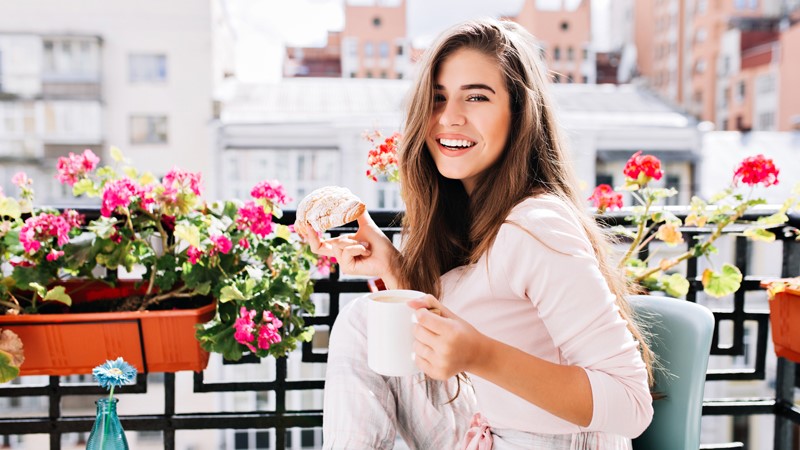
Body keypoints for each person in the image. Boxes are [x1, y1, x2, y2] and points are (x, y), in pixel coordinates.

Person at [302, 18, 654, 450]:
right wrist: (390, 263)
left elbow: (632, 405)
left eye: (476, 97)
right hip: (490, 429)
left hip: (562, 442)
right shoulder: (469, 213)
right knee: (364, 322)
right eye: (437, 98)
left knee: (362, 323)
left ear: (519, 113)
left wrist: (481, 355)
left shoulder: (538, 225)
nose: (449, 117)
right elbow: (475, 318)